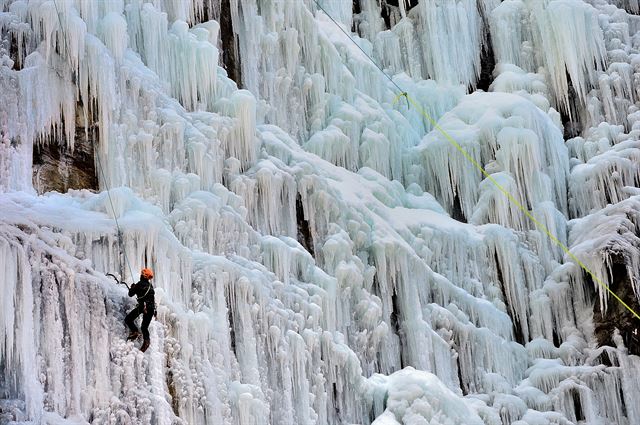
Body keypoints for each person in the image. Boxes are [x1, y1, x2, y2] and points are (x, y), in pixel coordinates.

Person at [125, 268, 156, 352]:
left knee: (128, 319)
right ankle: (146, 341)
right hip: (151, 308)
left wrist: (133, 287)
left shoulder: (139, 284)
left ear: (143, 276)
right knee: (144, 327)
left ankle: (135, 331)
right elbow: (152, 298)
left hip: (142, 307)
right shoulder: (151, 286)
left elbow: (130, 294)